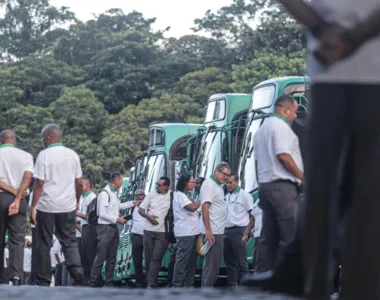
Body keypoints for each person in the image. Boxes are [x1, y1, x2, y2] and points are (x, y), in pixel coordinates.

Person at [244, 1, 380, 299]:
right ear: (290, 109)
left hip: (329, 63)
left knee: (325, 186)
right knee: (362, 191)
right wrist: (353, 37)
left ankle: (310, 280)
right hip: (354, 67)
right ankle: (356, 286)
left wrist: (323, 29)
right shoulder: (277, 125)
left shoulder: (272, 125)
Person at [31, 124, 84, 286]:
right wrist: (76, 200)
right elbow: (79, 182)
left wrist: (33, 206)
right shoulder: (73, 155)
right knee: (69, 240)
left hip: (46, 206)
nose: (42, 140)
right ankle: (77, 270)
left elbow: (39, 183)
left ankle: (43, 279)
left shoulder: (44, 155)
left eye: (42, 137)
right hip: (67, 206)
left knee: (43, 243)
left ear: (48, 138)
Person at [88, 172, 140, 287]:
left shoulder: (113, 193)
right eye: (121, 180)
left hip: (113, 228)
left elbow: (119, 206)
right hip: (105, 228)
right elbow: (102, 214)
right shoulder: (105, 194)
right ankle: (93, 280)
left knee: (112, 256)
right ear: (115, 180)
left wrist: (133, 203)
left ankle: (109, 281)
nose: (122, 183)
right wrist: (117, 219)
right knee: (101, 255)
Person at [0, 130, 34, 286]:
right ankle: (16, 276)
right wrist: (18, 196)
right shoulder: (26, 155)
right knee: (17, 240)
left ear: (1, 141)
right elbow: (28, 178)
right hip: (19, 201)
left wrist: (13, 191)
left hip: (1, 197)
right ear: (15, 142)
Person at [200, 162, 231, 287]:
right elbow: (204, 208)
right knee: (213, 266)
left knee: (211, 265)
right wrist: (208, 230)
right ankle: (207, 292)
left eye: (228, 175)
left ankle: (206, 291)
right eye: (224, 174)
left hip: (217, 230)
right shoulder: (209, 185)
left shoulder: (218, 185)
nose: (226, 178)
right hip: (213, 232)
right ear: (216, 172)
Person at [138, 177, 171, 288]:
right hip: (148, 231)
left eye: (159, 185)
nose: (157, 186)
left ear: (166, 186)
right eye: (157, 184)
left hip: (162, 232)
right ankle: (150, 281)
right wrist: (149, 217)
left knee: (156, 258)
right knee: (148, 258)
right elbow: (141, 209)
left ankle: (151, 283)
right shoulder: (151, 194)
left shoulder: (172, 195)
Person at [223, 173, 253, 287]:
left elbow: (252, 214)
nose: (228, 185)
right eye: (227, 182)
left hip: (239, 230)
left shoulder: (245, 195)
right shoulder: (227, 196)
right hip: (227, 231)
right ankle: (232, 287)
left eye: (230, 182)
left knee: (242, 261)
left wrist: (248, 231)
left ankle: (245, 288)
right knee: (229, 262)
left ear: (237, 182)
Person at [171, 174, 200, 288]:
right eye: (191, 182)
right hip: (185, 232)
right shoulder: (179, 195)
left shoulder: (186, 196)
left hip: (193, 231)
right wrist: (204, 199)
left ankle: (189, 283)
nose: (193, 184)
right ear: (185, 183)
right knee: (182, 259)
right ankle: (177, 284)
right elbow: (192, 208)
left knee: (192, 260)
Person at [76, 179, 97, 281]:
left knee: (91, 254)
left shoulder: (92, 197)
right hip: (84, 227)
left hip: (90, 228)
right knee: (84, 256)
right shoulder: (83, 197)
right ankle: (87, 279)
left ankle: (94, 279)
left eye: (82, 185)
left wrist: (75, 213)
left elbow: (90, 217)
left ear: (87, 185)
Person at [130, 189, 147, 288]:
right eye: (136, 195)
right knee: (137, 260)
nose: (139, 197)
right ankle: (139, 282)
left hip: (146, 236)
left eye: (141, 195)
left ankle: (149, 281)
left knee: (149, 259)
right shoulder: (133, 207)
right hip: (136, 236)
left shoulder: (148, 205)